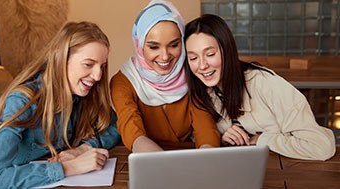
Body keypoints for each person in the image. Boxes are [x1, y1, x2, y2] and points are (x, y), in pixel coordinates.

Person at [0, 21, 120, 188]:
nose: (98, 76)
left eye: (102, 66)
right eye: (88, 64)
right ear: (61, 59)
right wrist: (68, 167)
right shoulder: (22, 101)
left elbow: (116, 125)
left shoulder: (82, 95)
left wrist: (83, 149)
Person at [184, 14, 336, 161]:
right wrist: (221, 139)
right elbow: (196, 136)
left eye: (210, 54)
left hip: (286, 172)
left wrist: (260, 139)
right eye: (193, 58)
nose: (202, 65)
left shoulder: (265, 84)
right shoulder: (202, 91)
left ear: (227, 50)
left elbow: (322, 147)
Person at [110, 0, 220, 152]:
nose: (165, 56)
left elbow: (205, 127)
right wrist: (162, 164)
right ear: (139, 45)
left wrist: (205, 160)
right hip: (148, 159)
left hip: (188, 158)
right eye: (154, 47)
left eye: (174, 45)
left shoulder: (192, 73)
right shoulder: (123, 81)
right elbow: (131, 128)